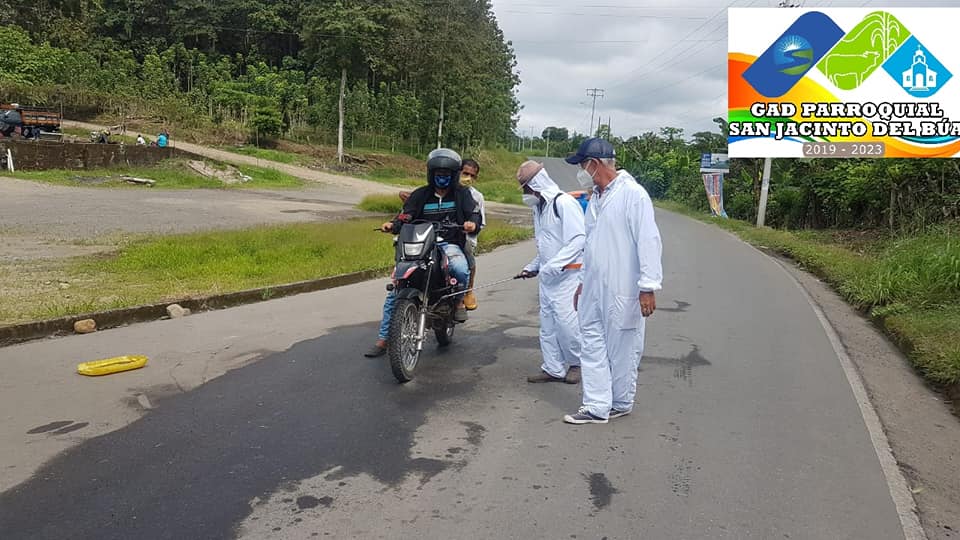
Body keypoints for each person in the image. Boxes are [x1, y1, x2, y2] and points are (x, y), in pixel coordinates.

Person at [563, 137, 663, 425]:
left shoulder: (633, 195)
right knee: (591, 344)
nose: (581, 171)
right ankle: (596, 406)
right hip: (593, 286)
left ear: (594, 164)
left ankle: (620, 402)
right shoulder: (596, 197)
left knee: (622, 348)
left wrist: (648, 286)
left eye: (582, 165)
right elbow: (591, 244)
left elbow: (648, 240)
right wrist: (582, 282)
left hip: (623, 287)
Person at [365, 148, 479, 357]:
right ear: (431, 174)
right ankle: (383, 339)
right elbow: (406, 215)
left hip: (448, 243)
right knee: (396, 288)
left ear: (453, 175)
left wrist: (472, 223)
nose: (442, 178)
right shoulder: (420, 194)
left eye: (446, 174)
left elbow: (473, 214)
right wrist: (393, 224)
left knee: (460, 268)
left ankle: (458, 302)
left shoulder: (462, 194)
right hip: (421, 244)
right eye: (438, 174)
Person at [515, 160, 585, 385]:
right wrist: (532, 266)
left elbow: (578, 239)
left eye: (526, 188)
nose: (525, 193)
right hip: (547, 278)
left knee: (567, 324)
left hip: (567, 276)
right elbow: (546, 246)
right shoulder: (538, 208)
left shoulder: (563, 203)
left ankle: (577, 363)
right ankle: (553, 368)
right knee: (547, 327)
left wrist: (556, 264)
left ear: (537, 183)